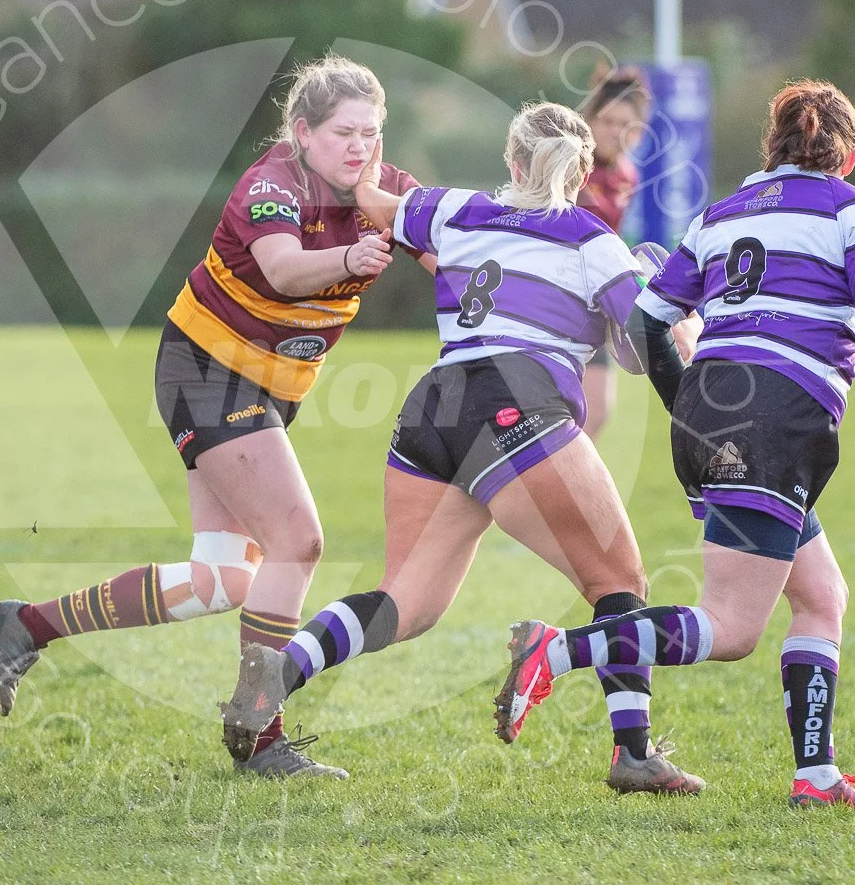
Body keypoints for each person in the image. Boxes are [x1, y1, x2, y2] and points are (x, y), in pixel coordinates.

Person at [219, 101, 705, 794]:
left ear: (512, 162)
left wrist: (343, 152)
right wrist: (683, 318)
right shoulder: (593, 241)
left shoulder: (449, 209)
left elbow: (377, 202)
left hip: (435, 407)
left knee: (405, 603)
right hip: (517, 406)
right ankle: (633, 755)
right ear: (581, 170)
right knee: (619, 584)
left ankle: (280, 670)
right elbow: (644, 351)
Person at [0, 54, 422, 778]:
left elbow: (454, 237)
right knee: (298, 542)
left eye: (371, 134)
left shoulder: (381, 187)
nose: (360, 148)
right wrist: (355, 252)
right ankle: (259, 730)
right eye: (345, 132)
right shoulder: (270, 186)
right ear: (302, 132)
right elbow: (282, 269)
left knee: (221, 580)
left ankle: (26, 624)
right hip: (208, 372)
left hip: (273, 386)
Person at [494, 80, 855, 810]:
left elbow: (654, 323)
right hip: (778, 423)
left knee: (821, 596)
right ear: (845, 157)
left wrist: (689, 408)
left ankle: (815, 777)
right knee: (732, 627)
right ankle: (553, 653)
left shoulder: (720, 214)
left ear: (772, 148)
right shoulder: (854, 210)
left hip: (716, 413)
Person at [576, 66, 651, 439]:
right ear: (587, 121)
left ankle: (559, 494)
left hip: (592, 302)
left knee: (597, 411)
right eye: (605, 121)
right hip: (550, 299)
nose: (614, 131)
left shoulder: (626, 176)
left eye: (625, 124)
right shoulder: (569, 167)